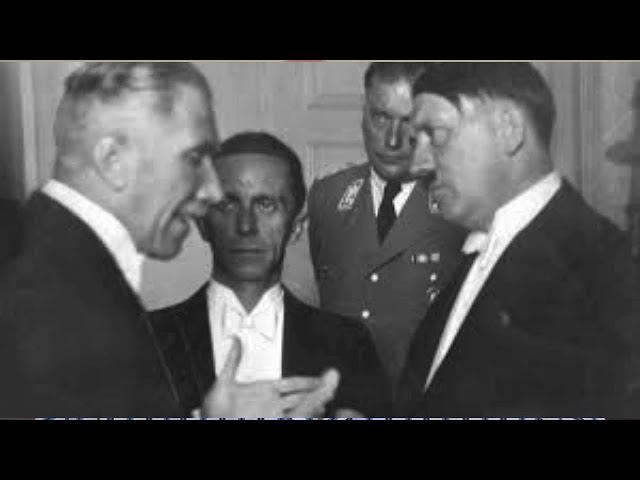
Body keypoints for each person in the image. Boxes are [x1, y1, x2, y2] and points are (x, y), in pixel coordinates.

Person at [0, 62, 337, 419]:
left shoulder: (76, 270)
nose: (210, 191)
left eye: (266, 205)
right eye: (193, 158)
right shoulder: (42, 292)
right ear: (112, 160)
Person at [396, 62, 640, 418]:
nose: (416, 165)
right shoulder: (477, 258)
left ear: (509, 129)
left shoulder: (599, 271)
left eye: (436, 134)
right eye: (414, 142)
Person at [151, 131, 392, 418]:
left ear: (296, 226)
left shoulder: (348, 343)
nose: (246, 226)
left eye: (266, 205)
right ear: (202, 222)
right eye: (228, 204)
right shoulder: (146, 339)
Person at [307, 62, 466, 393]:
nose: (392, 140)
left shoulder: (462, 206)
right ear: (363, 115)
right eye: (380, 118)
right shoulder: (327, 197)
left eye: (408, 122)